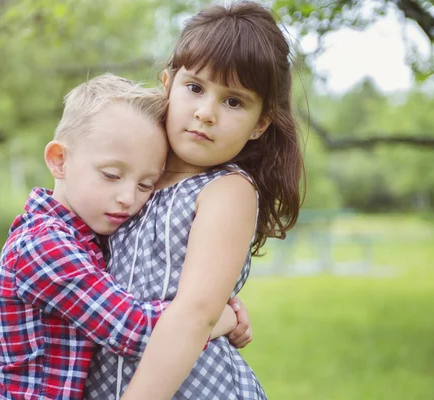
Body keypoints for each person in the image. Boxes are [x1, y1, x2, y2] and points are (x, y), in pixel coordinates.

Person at [85, 2, 304, 399]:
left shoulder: (227, 191)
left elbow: (193, 315)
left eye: (233, 101)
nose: (205, 113)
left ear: (260, 124)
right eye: (196, 88)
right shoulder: (131, 175)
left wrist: (214, 315)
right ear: (168, 83)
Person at [0, 74, 252, 400]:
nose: (128, 197)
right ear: (59, 160)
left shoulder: (93, 234)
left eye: (145, 185)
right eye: (111, 175)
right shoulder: (43, 246)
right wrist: (218, 317)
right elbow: (132, 329)